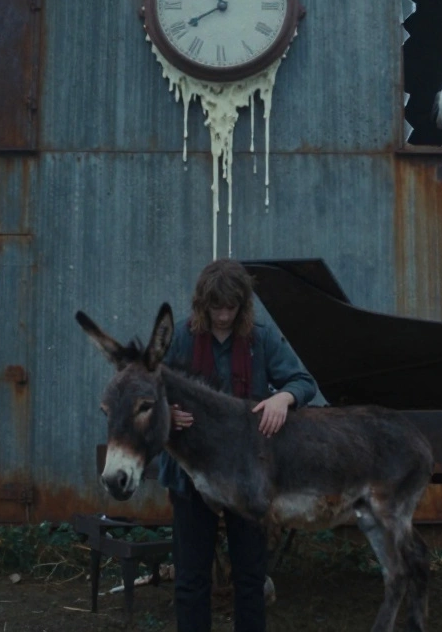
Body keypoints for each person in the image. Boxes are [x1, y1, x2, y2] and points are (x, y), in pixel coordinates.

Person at [156, 258, 318, 632]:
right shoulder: (180, 337)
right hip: (191, 477)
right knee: (191, 578)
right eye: (217, 307)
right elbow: (147, 391)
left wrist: (284, 399)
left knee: (250, 578)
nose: (224, 315)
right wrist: (167, 414)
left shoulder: (260, 338)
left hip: (248, 478)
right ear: (203, 304)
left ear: (242, 305)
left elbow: (302, 380)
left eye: (232, 307)